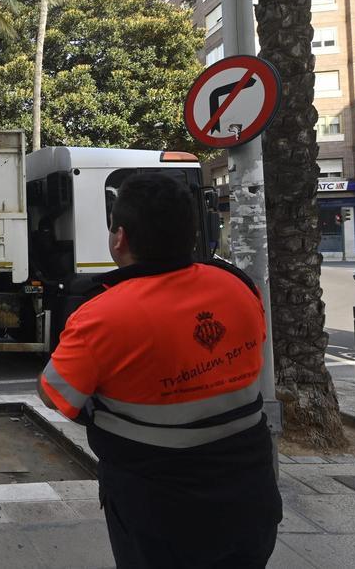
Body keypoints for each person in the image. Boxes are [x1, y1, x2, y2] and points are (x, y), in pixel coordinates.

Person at [38, 172, 281, 568]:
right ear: (191, 233)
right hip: (250, 499)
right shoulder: (239, 287)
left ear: (120, 238)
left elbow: (54, 395)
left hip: (160, 513)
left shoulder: (101, 316)